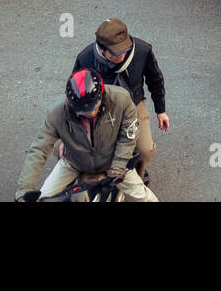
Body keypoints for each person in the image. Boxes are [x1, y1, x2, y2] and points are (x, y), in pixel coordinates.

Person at [15, 68, 155, 201]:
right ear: (69, 102)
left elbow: (128, 135)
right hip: (74, 163)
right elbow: (39, 149)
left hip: (113, 163)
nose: (91, 113)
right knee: (44, 196)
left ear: (102, 93)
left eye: (94, 106)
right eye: (84, 111)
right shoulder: (56, 112)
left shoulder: (121, 99)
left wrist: (118, 165)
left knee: (145, 197)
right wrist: (24, 190)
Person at [72, 18, 168, 182]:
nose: (122, 55)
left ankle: (138, 171)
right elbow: (76, 88)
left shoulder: (142, 50)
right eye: (116, 52)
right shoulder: (85, 58)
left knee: (145, 150)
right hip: (100, 107)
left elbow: (155, 80)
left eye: (125, 49)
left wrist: (161, 111)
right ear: (102, 50)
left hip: (134, 103)